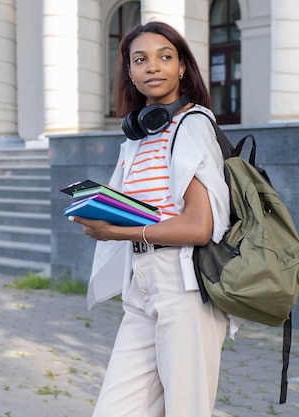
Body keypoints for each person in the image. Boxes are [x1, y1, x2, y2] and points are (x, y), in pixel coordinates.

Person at [69, 21, 231, 417]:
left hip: (185, 286)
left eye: (165, 57)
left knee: (186, 409)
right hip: (142, 281)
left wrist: (117, 231)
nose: (152, 67)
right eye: (140, 59)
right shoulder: (137, 138)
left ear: (181, 67)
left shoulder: (191, 126)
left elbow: (199, 226)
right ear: (129, 71)